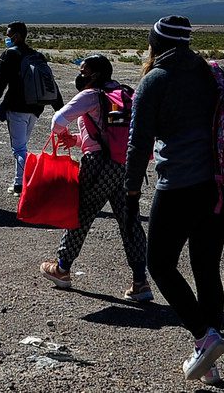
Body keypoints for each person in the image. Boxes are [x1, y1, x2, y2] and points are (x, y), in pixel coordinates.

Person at [124, 16, 224, 385]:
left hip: (180, 186)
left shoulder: (155, 80)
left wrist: (130, 193)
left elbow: (138, 143)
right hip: (221, 187)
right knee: (206, 267)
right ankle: (210, 362)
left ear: (155, 43)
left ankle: (205, 338)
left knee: (159, 264)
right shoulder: (211, 74)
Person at [39, 55, 153, 301]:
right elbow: (112, 137)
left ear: (96, 74)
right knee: (129, 220)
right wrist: (79, 140)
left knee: (81, 214)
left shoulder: (91, 95)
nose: (81, 75)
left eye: (84, 71)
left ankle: (62, 268)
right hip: (128, 166)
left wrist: (63, 134)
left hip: (99, 167)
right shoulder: (125, 94)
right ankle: (140, 281)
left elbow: (57, 121)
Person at [0, 21, 63, 196]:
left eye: (8, 35)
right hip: (36, 108)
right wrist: (59, 108)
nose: (7, 38)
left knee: (19, 148)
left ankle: (21, 185)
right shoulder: (37, 55)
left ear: (17, 36)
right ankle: (21, 181)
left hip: (17, 107)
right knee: (22, 145)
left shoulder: (10, 55)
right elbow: (51, 84)